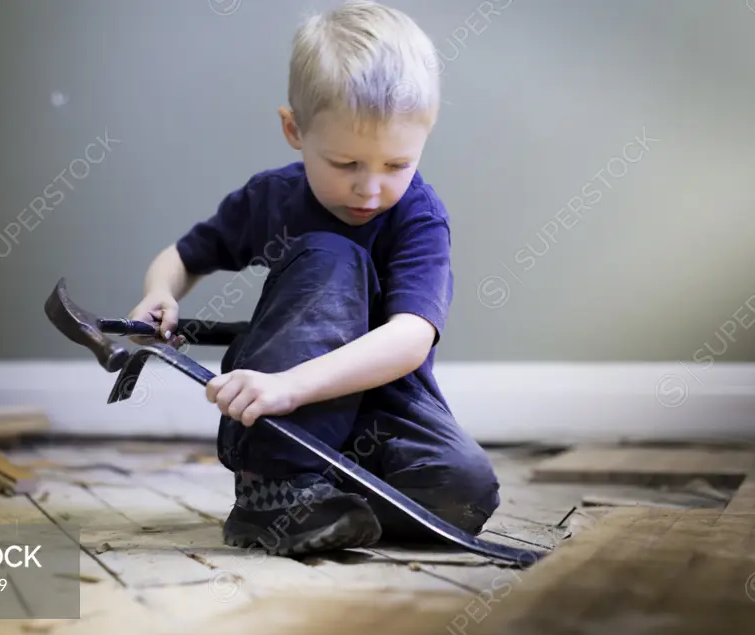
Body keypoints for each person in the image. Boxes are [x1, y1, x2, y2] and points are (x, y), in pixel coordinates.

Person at [128, 0, 499, 555]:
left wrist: (290, 385)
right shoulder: (271, 197)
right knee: (333, 254)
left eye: (397, 165)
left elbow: (410, 338)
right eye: (346, 164)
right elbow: (183, 257)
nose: (370, 189)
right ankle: (276, 483)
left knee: (466, 490)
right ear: (293, 130)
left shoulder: (419, 214)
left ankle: (320, 498)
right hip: (288, 406)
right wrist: (159, 293)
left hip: (375, 402)